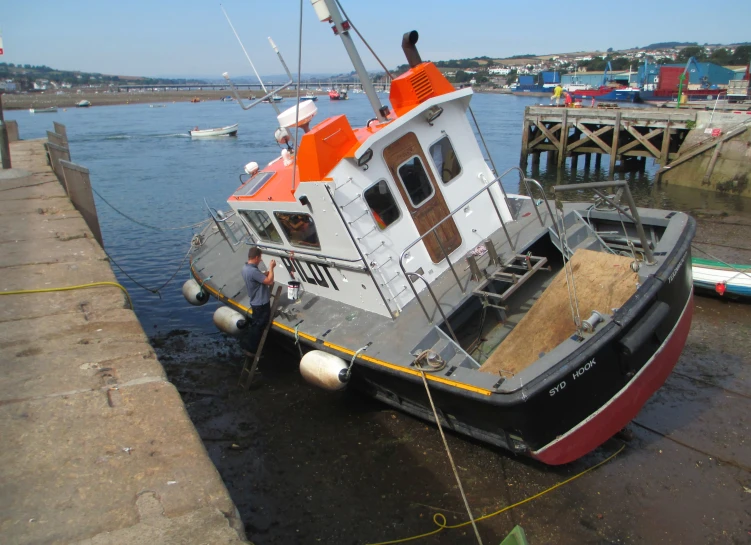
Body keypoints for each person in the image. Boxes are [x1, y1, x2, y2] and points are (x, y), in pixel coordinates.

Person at [241, 247, 276, 355]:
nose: (260, 260)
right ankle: (252, 349)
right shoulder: (253, 271)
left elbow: (257, 277)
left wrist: (264, 273)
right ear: (256, 257)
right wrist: (271, 268)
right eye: (260, 257)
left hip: (254, 302)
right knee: (259, 325)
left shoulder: (245, 268)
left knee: (255, 323)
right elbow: (269, 282)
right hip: (261, 303)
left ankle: (249, 345)